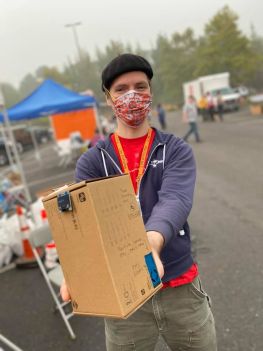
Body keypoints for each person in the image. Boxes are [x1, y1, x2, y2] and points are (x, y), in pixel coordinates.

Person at [60, 53, 217, 351]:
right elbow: (83, 225)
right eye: (121, 89)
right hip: (126, 300)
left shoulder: (174, 149)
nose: (132, 95)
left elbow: (175, 198)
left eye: (140, 86)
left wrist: (150, 242)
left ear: (150, 92)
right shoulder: (93, 161)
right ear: (108, 98)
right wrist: (76, 266)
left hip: (180, 289)